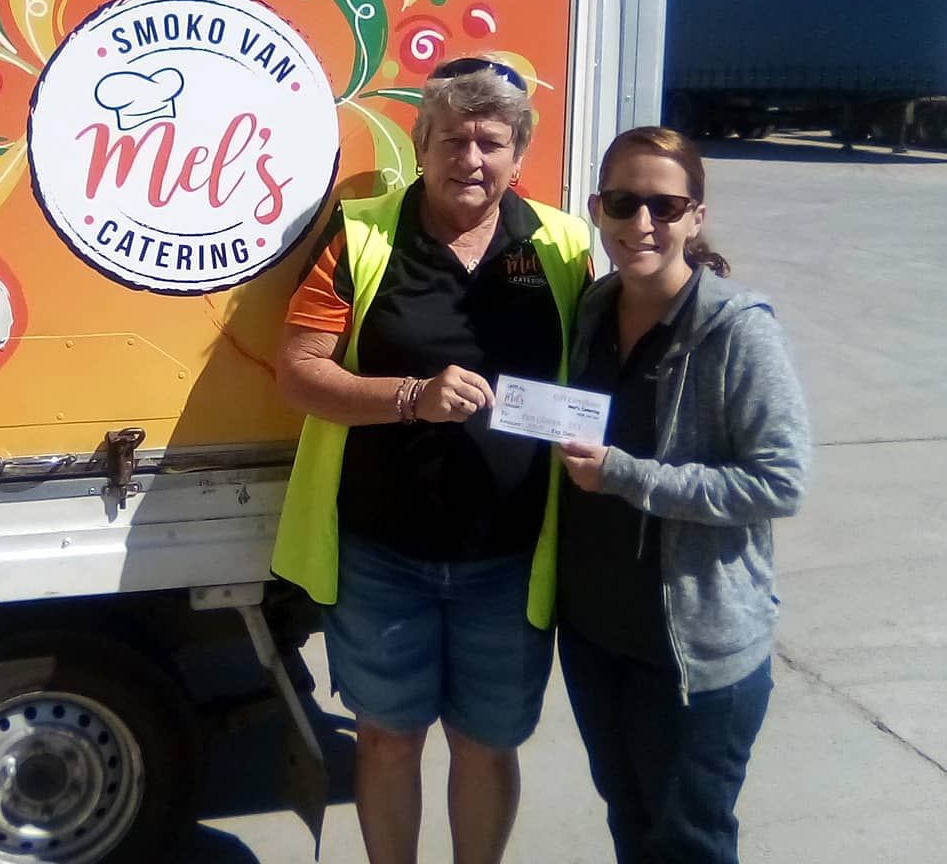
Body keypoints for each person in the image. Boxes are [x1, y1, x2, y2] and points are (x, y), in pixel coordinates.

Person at [272, 56, 592, 864]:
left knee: (487, 746)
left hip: (510, 559)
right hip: (385, 556)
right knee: (385, 742)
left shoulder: (564, 245)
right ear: (422, 145)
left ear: (520, 154)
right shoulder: (361, 235)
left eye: (491, 142)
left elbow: (605, 365)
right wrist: (410, 396)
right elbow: (299, 371)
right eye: (453, 139)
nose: (472, 160)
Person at [557, 126, 811, 864]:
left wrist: (628, 475)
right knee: (631, 827)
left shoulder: (736, 331)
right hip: (597, 638)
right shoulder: (593, 312)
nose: (642, 224)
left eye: (664, 207)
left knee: (690, 844)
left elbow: (781, 480)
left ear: (695, 216)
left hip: (691, 657)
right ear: (598, 208)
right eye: (624, 202)